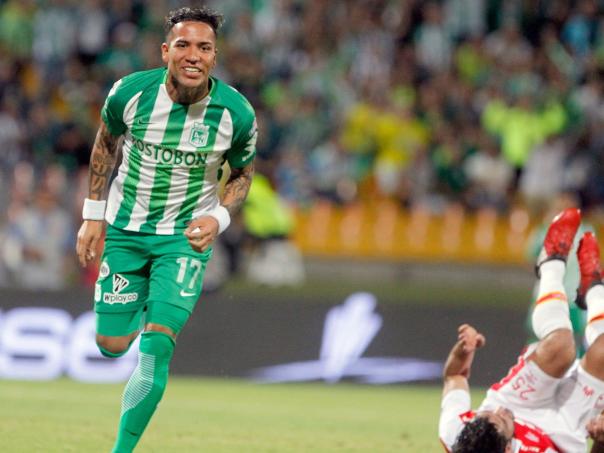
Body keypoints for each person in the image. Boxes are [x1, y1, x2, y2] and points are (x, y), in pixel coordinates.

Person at [75, 6, 257, 452]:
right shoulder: (130, 94)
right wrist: (93, 215)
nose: (193, 55)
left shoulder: (236, 113)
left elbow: (242, 172)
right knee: (111, 344)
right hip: (125, 229)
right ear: (165, 51)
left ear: (215, 56)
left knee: (157, 346)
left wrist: (219, 217)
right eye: (183, 45)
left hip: (183, 239)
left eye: (204, 47)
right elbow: (105, 146)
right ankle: (143, 301)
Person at [439, 208, 604, 452]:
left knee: (560, 346)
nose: (498, 410)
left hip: (520, 402)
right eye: (500, 419)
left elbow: (454, 377)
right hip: (564, 434)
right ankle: (595, 287)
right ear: (508, 448)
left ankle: (551, 263)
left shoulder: (456, 431)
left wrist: (463, 351)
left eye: (486, 413)